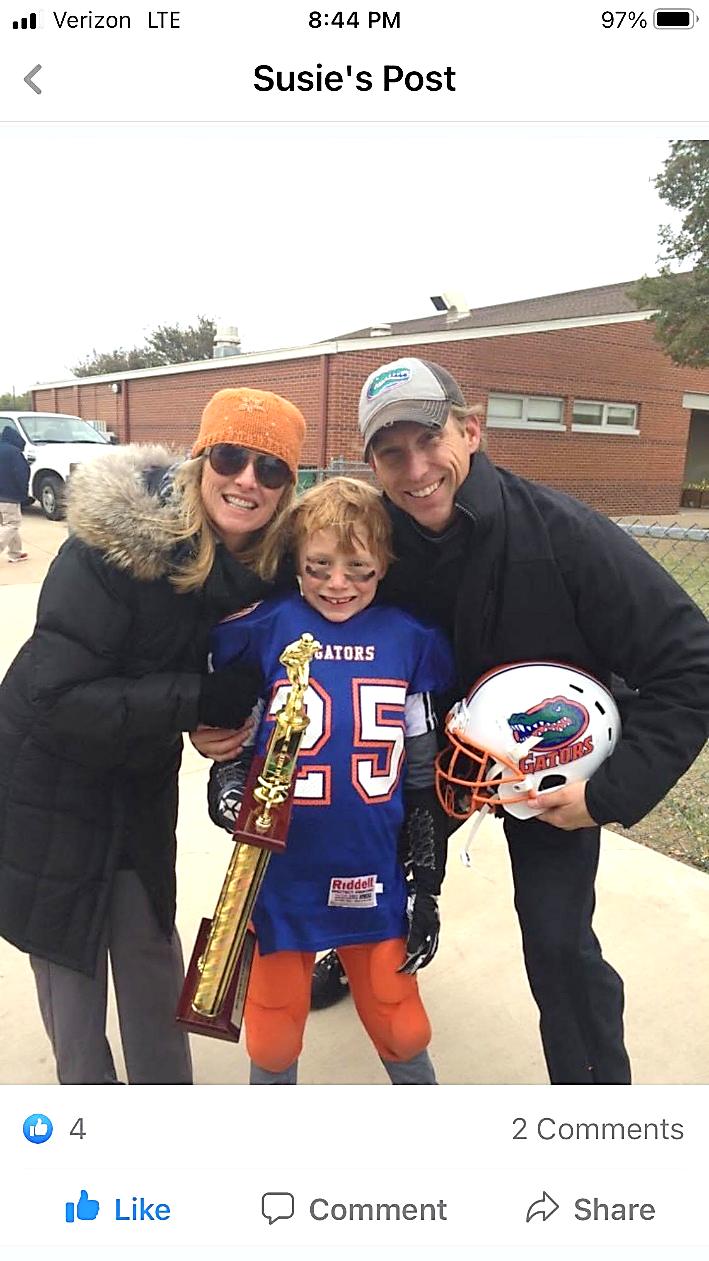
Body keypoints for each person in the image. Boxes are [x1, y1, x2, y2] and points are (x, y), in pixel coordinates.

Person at [316, 356, 709, 1085]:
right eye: (391, 453)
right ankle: (340, 948)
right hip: (432, 753)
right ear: (372, 465)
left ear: (470, 430)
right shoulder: (375, 543)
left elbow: (691, 663)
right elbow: (284, 595)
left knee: (557, 943)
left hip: (545, 765)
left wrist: (606, 793)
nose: (415, 469)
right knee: (358, 859)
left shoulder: (565, 537)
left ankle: (594, 1097)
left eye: (429, 440)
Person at [0, 387, 306, 1084]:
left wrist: (209, 724)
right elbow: (58, 696)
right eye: (230, 457)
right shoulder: (112, 549)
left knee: (147, 941)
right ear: (201, 460)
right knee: (71, 963)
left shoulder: (266, 569)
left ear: (288, 486)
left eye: (270, 468)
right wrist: (194, 702)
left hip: (138, 769)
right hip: (50, 774)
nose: (247, 480)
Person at [207, 477, 455, 1085]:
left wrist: (426, 883)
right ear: (294, 558)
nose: (337, 584)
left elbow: (420, 775)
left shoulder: (411, 638)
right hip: (280, 872)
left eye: (359, 570)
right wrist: (230, 784)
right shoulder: (265, 627)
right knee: (272, 1031)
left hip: (372, 867)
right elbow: (237, 737)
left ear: (385, 565)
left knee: (400, 1021)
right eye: (318, 567)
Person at [0, 424, 30, 563]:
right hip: (9, 495)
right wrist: (23, 492)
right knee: (12, 524)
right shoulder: (14, 453)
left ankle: (15, 552)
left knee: (7, 524)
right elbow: (22, 473)